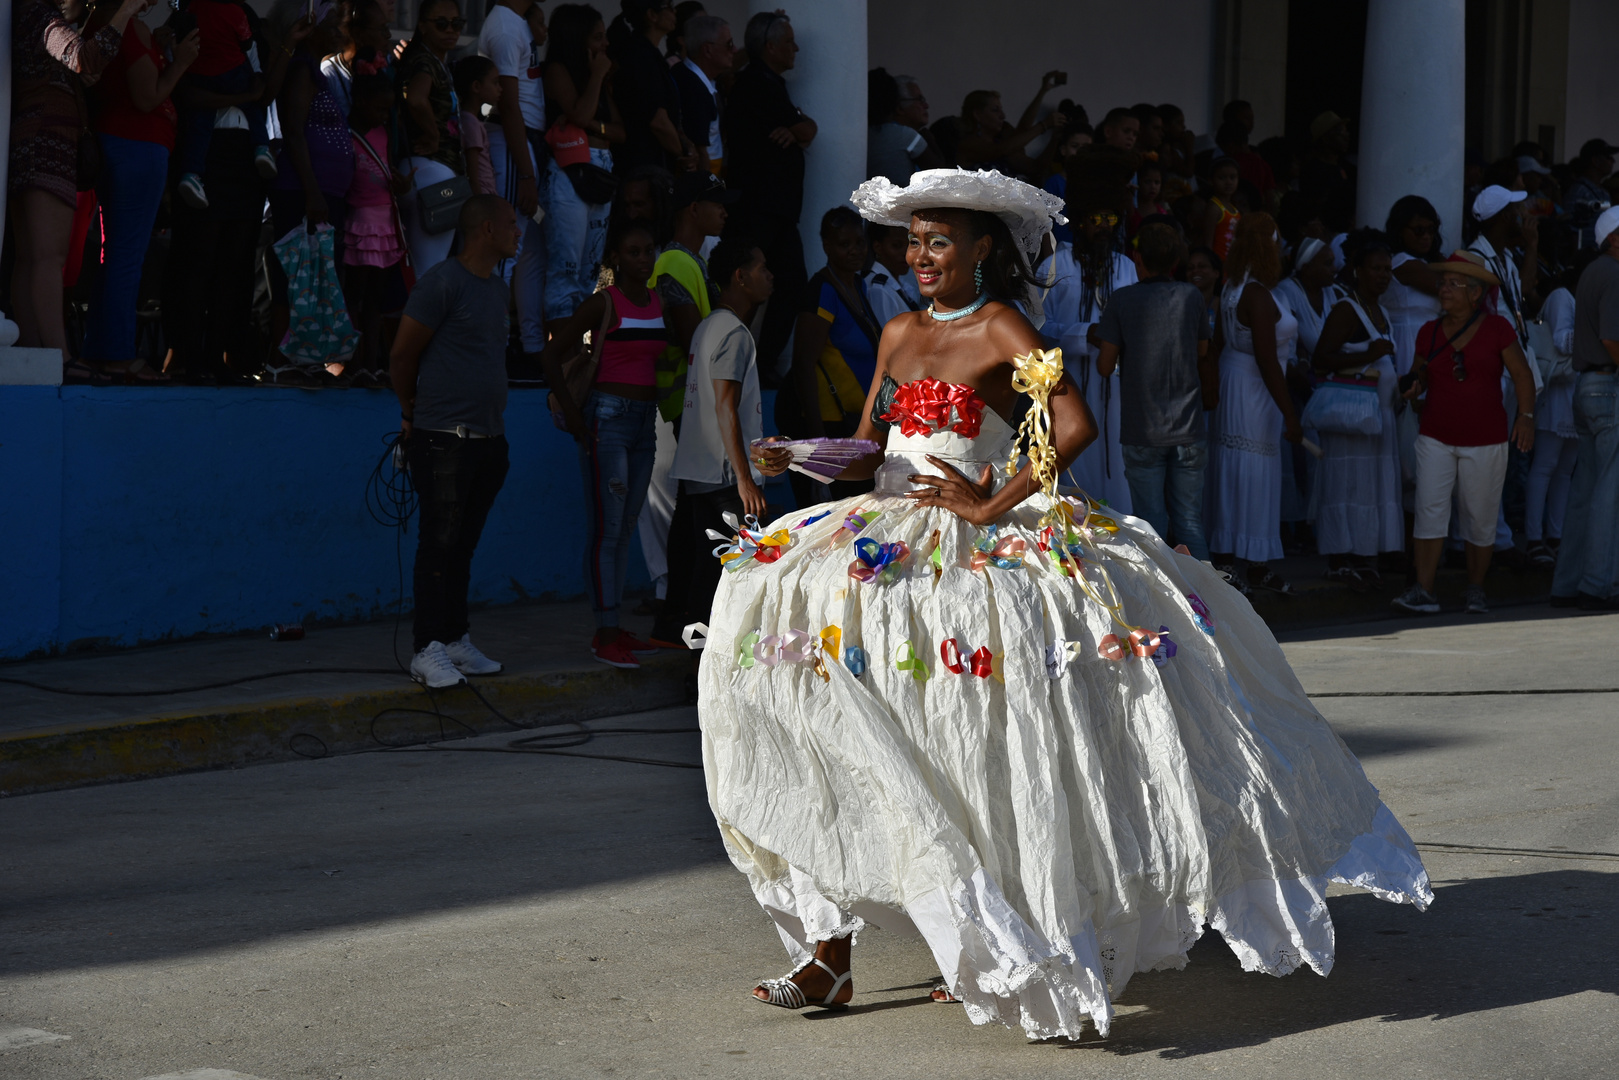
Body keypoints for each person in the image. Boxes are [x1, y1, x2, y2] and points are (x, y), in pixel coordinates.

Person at [698, 168, 1430, 1039]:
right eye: (914, 242)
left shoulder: (1003, 326)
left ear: (980, 252)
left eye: (939, 242)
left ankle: (996, 933)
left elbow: (1070, 427)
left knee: (971, 746)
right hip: (880, 538)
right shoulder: (894, 330)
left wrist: (984, 503)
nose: (920, 256)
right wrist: (804, 456)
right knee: (827, 718)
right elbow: (870, 446)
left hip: (972, 540)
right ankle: (828, 950)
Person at [391, 195, 522, 687]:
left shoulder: (497, 289)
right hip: (444, 441)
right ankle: (426, 649)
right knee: (438, 546)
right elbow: (402, 357)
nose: (518, 232)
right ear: (486, 229)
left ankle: (453, 640)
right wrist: (410, 415)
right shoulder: (442, 283)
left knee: (462, 547)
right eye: (511, 224)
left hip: (488, 442)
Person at [540, 219, 669, 667]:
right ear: (616, 258)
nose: (643, 259)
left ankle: (613, 626)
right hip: (608, 420)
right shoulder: (604, 302)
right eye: (633, 251)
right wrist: (576, 417)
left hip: (643, 424)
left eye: (649, 249)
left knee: (625, 527)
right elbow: (552, 354)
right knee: (607, 531)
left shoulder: (658, 302)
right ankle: (604, 633)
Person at [1394, 251, 1536, 615]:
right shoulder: (1429, 332)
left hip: (1485, 438)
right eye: (1443, 282)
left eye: (1453, 283)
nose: (1443, 289)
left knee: (1480, 515)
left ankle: (1476, 588)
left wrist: (1526, 416)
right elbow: (1420, 374)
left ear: (1475, 293)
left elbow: (1522, 375)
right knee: (1429, 510)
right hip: (1435, 435)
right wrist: (1413, 386)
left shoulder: (1497, 329)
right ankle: (1423, 590)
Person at [648, 237, 773, 648]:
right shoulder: (733, 332)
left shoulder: (707, 326)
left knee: (707, 575)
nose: (769, 276)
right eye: (761, 269)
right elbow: (724, 406)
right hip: (724, 480)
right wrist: (745, 479)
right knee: (732, 579)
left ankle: (698, 666)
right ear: (739, 277)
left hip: (704, 474)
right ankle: (709, 668)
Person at [9, 0, 143, 366]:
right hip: (48, 140)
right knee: (48, 258)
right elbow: (83, 57)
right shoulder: (39, 14)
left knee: (30, 258)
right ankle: (59, 357)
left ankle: (36, 353)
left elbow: (75, 64)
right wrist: (126, 10)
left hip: (30, 138)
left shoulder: (24, 13)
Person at [79, 3, 200, 380]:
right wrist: (180, 62)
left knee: (114, 255)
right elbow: (147, 97)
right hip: (136, 146)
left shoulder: (107, 25)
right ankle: (116, 354)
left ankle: (102, 349)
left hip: (123, 146)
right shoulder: (126, 28)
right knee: (125, 256)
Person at [1093, 222, 1215, 558]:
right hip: (1188, 427)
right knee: (1190, 523)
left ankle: (1166, 609)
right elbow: (1203, 351)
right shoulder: (1191, 295)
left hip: (1142, 429)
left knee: (1152, 526)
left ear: (1137, 258)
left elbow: (1104, 366)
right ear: (1176, 260)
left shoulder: (1123, 299)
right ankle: (1212, 607)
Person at [1207, 212, 1302, 594]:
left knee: (1236, 470)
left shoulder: (1232, 286)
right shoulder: (1256, 294)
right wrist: (1290, 414)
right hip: (1254, 388)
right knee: (1252, 472)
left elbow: (1217, 347)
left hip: (1236, 380)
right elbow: (1267, 360)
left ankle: (1232, 558)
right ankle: (1249, 562)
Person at [1041, 150, 1139, 512]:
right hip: (1069, 382)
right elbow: (1037, 326)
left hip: (1115, 384)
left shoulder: (1126, 266)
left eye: (1110, 217)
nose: (1104, 225)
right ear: (1080, 221)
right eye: (1095, 218)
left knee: (1115, 457)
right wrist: (1086, 334)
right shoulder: (1056, 263)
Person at [1309, 231, 1405, 589]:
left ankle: (1364, 554)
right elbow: (1321, 358)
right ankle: (1340, 557)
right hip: (1351, 419)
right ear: (1358, 271)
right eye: (1376, 268)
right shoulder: (1346, 310)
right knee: (1346, 486)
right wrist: (1370, 354)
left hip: (1377, 418)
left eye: (1387, 269)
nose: (1383, 275)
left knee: (1370, 489)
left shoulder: (1380, 310)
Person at [721, 10, 815, 369]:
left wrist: (797, 129)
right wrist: (799, 129)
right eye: (789, 42)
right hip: (759, 208)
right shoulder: (756, 83)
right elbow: (806, 129)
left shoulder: (770, 82)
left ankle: (760, 365)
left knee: (788, 285)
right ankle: (732, 365)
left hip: (778, 211)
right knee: (748, 287)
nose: (796, 48)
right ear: (771, 47)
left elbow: (807, 130)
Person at [784, 206, 883, 504]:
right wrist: (817, 441)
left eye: (859, 243)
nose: (855, 251)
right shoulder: (823, 291)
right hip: (830, 424)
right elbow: (803, 363)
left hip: (856, 422)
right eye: (844, 244)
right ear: (827, 247)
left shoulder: (858, 284)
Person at [1550, 206, 1619, 610]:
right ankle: (1597, 584)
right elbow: (1614, 339)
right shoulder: (1613, 274)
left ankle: (1568, 583)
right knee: (1608, 491)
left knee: (1585, 489)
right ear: (1614, 237)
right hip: (1609, 386)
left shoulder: (1594, 271)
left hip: (1587, 386)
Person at [544, 3, 625, 322]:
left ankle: (579, 349)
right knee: (566, 266)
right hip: (570, 175)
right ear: (577, 39)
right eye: (597, 37)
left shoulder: (599, 79)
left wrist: (592, 124)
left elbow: (620, 132)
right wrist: (597, 76)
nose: (605, 45)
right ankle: (560, 355)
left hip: (601, 172)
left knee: (590, 269)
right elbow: (578, 113)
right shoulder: (558, 70)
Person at [478, 0, 548, 363]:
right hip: (510, 144)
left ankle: (532, 346)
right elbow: (507, 104)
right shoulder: (505, 26)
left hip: (525, 144)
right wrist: (525, 172)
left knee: (531, 250)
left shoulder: (516, 22)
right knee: (506, 250)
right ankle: (496, 349)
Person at [173, 0, 276, 209]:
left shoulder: (193, 8)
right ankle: (262, 147)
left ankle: (192, 174)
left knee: (200, 126)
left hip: (201, 74)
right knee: (254, 108)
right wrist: (247, 96)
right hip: (231, 72)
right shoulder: (235, 12)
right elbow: (247, 43)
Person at [342, 71, 409, 383]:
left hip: (385, 221)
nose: (384, 115)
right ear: (360, 102)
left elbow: (388, 167)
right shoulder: (347, 133)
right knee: (354, 294)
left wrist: (402, 184)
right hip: (359, 221)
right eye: (379, 109)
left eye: (388, 110)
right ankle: (352, 363)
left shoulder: (384, 133)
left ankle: (371, 364)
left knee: (375, 299)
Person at [397, 0, 468, 275]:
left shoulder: (430, 58)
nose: (451, 30)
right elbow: (415, 99)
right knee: (427, 270)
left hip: (426, 172)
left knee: (424, 268)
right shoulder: (425, 60)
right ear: (423, 26)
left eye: (457, 23)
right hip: (429, 171)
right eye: (441, 23)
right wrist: (433, 134)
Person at [1523, 257, 1583, 567]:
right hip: (1557, 393)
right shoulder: (1563, 297)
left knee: (1563, 471)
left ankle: (1555, 537)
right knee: (1545, 467)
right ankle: (1534, 539)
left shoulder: (1577, 300)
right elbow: (1561, 340)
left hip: (1575, 394)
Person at [608, 0, 698, 173]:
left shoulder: (648, 53)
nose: (675, 13)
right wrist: (683, 153)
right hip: (644, 165)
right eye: (669, 7)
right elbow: (658, 121)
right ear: (652, 15)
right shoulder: (641, 56)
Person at [954, 73, 1067, 174]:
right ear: (977, 115)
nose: (1002, 116)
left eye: (1001, 110)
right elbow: (1001, 150)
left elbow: (1034, 166)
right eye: (995, 110)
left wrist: (1055, 138)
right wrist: (1044, 125)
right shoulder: (967, 144)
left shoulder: (1001, 140)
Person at [671, 14, 731, 175]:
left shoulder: (685, 73)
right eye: (729, 44)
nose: (734, 50)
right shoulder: (694, 90)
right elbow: (700, 150)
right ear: (707, 50)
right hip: (702, 178)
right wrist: (707, 194)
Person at [867, 68, 941, 187]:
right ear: (899, 107)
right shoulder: (904, 136)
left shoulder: (864, 134)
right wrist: (930, 140)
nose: (926, 105)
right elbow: (943, 176)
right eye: (919, 100)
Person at [320, 0, 390, 123]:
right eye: (382, 29)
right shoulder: (329, 75)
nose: (388, 35)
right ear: (358, 34)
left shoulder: (383, 68)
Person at [1300, 111, 1355, 233]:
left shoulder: (1347, 167)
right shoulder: (1312, 171)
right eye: (1341, 132)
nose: (1347, 136)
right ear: (1325, 138)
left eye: (1346, 131)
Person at [454, 56, 499, 196]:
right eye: (495, 83)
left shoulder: (470, 120)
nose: (500, 89)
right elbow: (473, 174)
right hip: (482, 194)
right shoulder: (470, 123)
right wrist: (480, 202)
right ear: (476, 86)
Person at [863, 223, 921, 327]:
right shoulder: (879, 289)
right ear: (878, 247)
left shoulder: (902, 286)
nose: (906, 253)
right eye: (896, 246)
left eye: (909, 245)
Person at [1565, 139, 1616, 251]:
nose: (1613, 161)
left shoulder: (1603, 192)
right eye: (1608, 157)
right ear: (1595, 161)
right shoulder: (1579, 191)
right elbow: (1570, 228)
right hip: (1585, 256)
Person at [1202, 156, 1241, 262]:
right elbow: (1207, 242)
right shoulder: (1214, 207)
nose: (1228, 182)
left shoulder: (1233, 208)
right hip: (1218, 264)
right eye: (1222, 178)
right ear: (1211, 180)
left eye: (1232, 177)